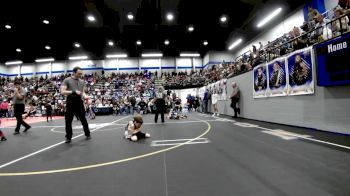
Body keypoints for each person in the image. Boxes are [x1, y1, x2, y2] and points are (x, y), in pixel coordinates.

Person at [60, 67, 91, 143]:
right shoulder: (67, 80)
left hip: (79, 101)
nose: (80, 75)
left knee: (83, 119)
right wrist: (74, 92)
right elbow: (62, 91)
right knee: (68, 120)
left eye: (81, 73)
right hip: (70, 101)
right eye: (79, 73)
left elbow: (82, 92)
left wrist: (86, 97)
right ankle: (68, 137)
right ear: (74, 72)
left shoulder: (82, 81)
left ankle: (87, 133)